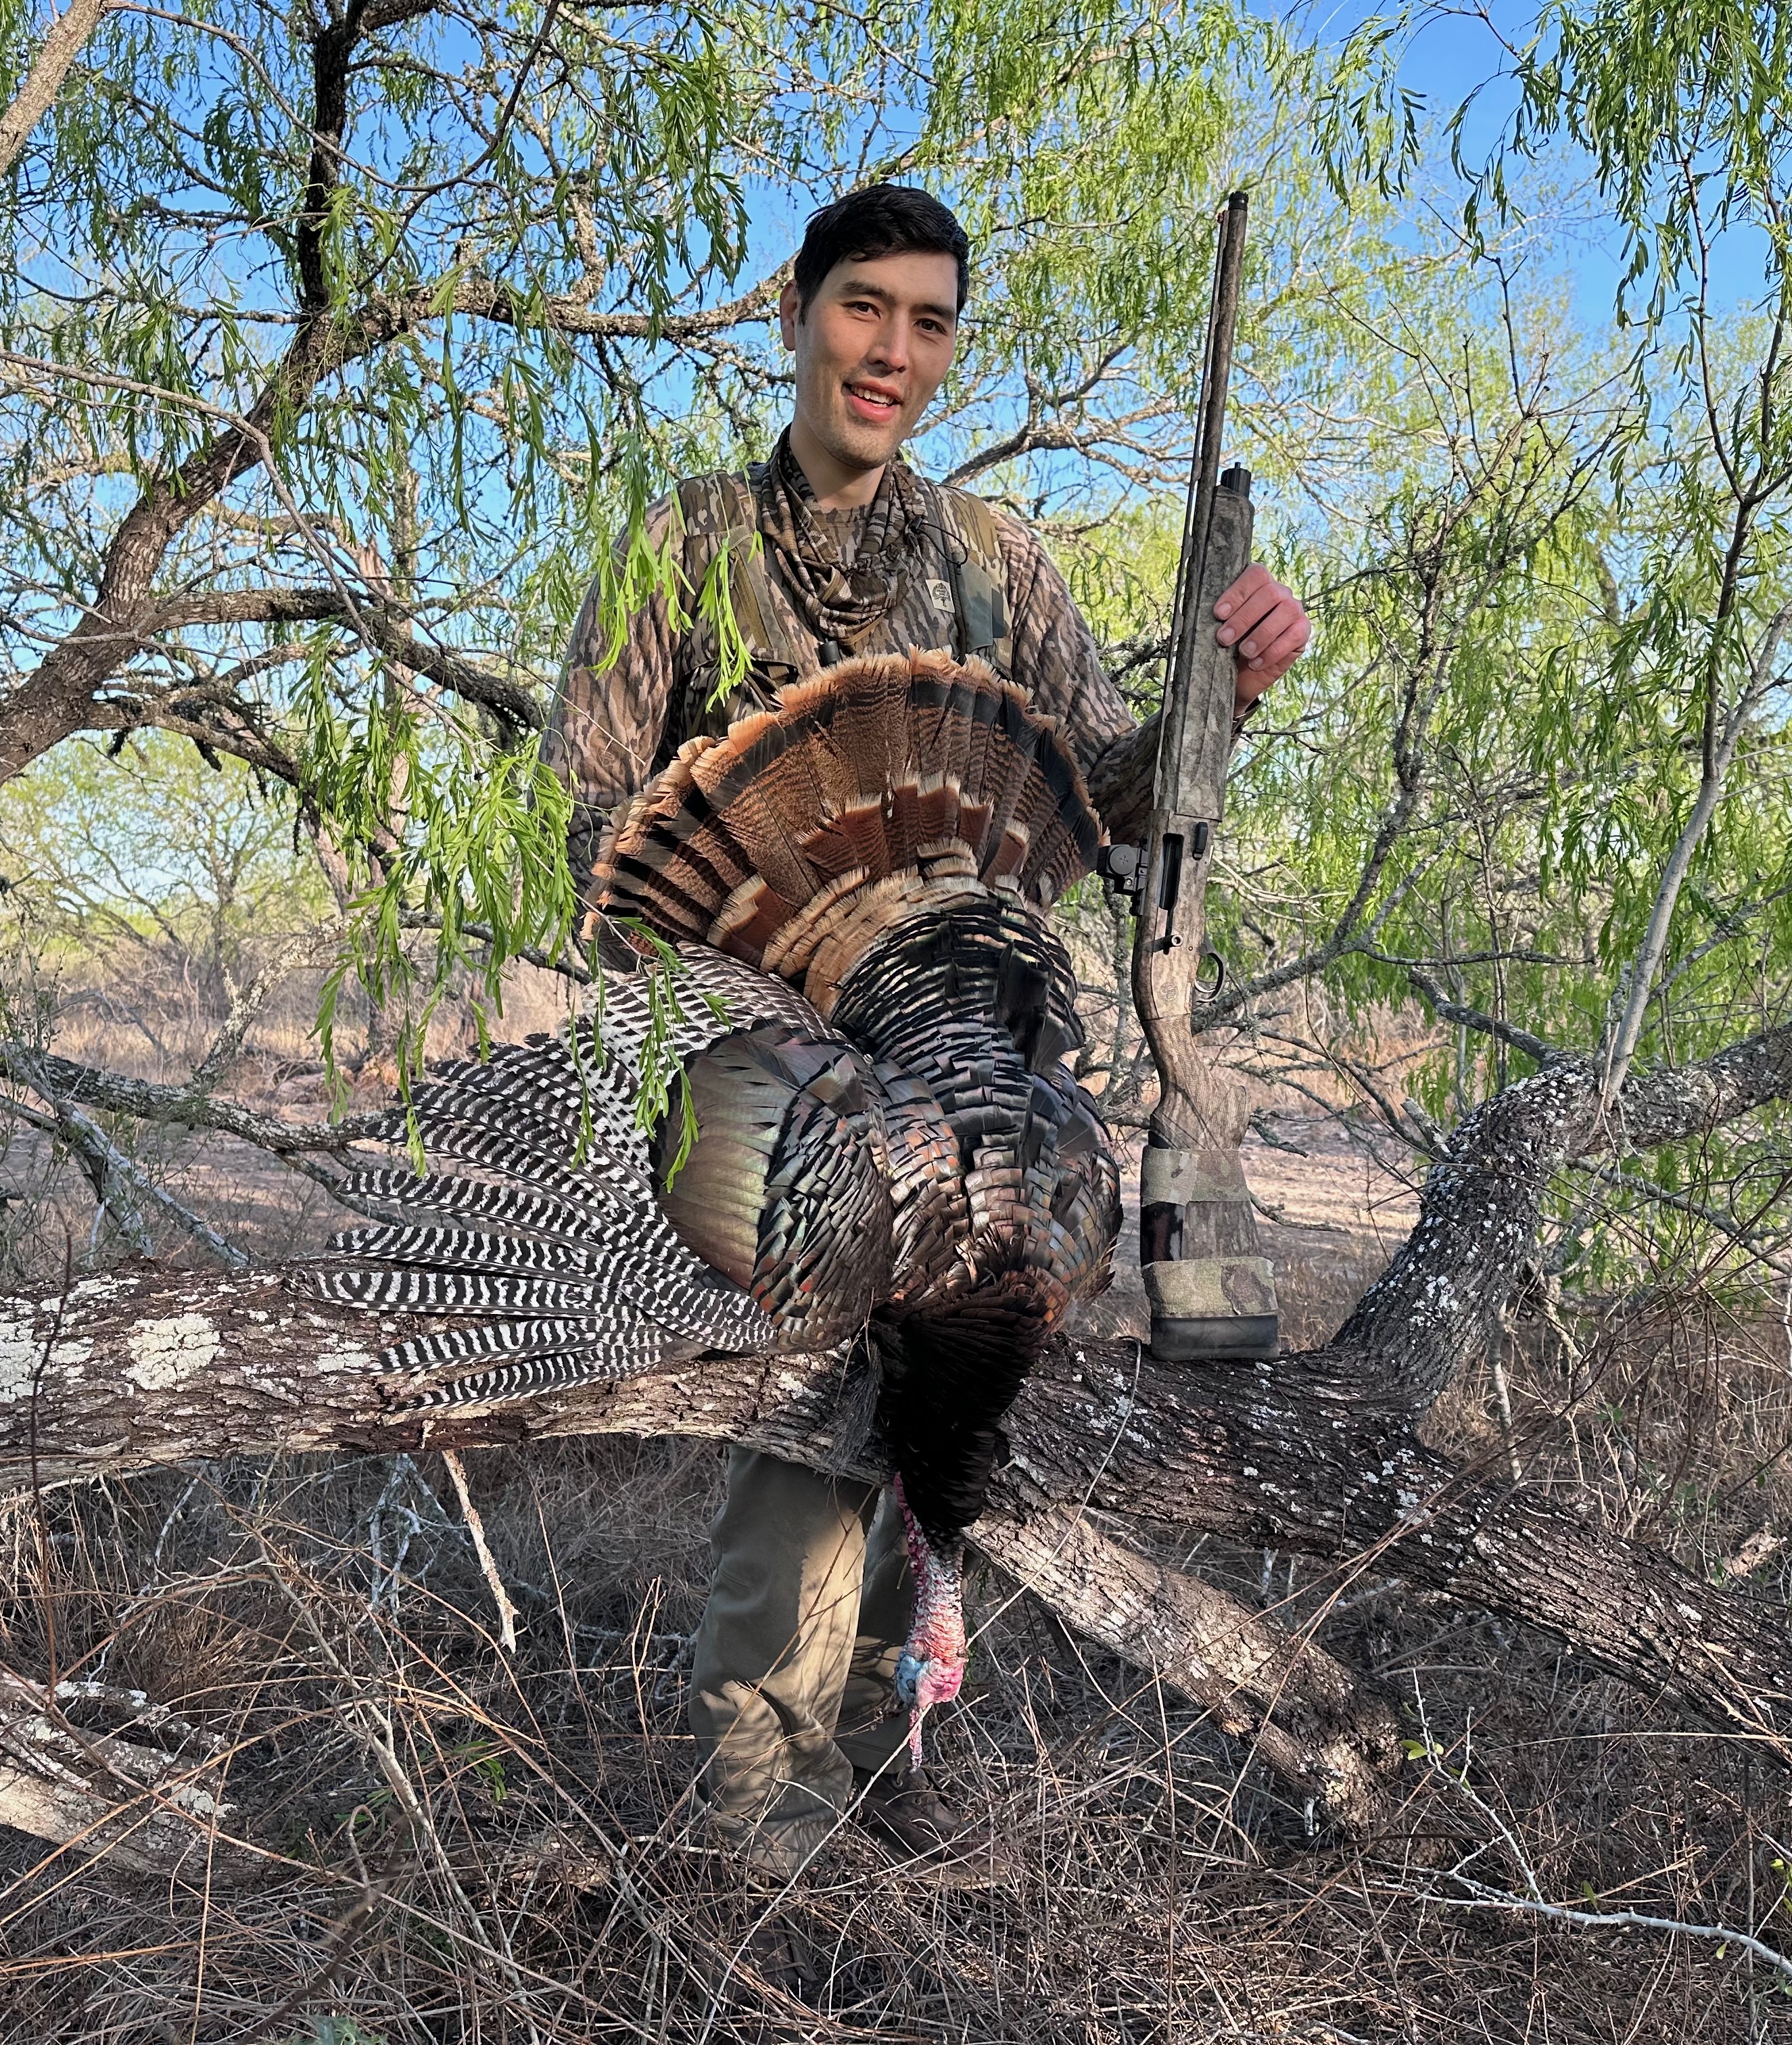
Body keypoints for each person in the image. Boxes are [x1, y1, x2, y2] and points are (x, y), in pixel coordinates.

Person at [541, 185, 1312, 1875]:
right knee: (807, 1438)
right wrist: (749, 995)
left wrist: (1220, 682)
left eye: (930, 321)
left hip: (975, 1055)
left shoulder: (998, 561)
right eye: (865, 307)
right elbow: (584, 834)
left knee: (942, 1412)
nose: (893, 350)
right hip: (768, 1048)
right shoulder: (674, 547)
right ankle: (763, 1849)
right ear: (797, 311)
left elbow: (1111, 797)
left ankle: (879, 1786)